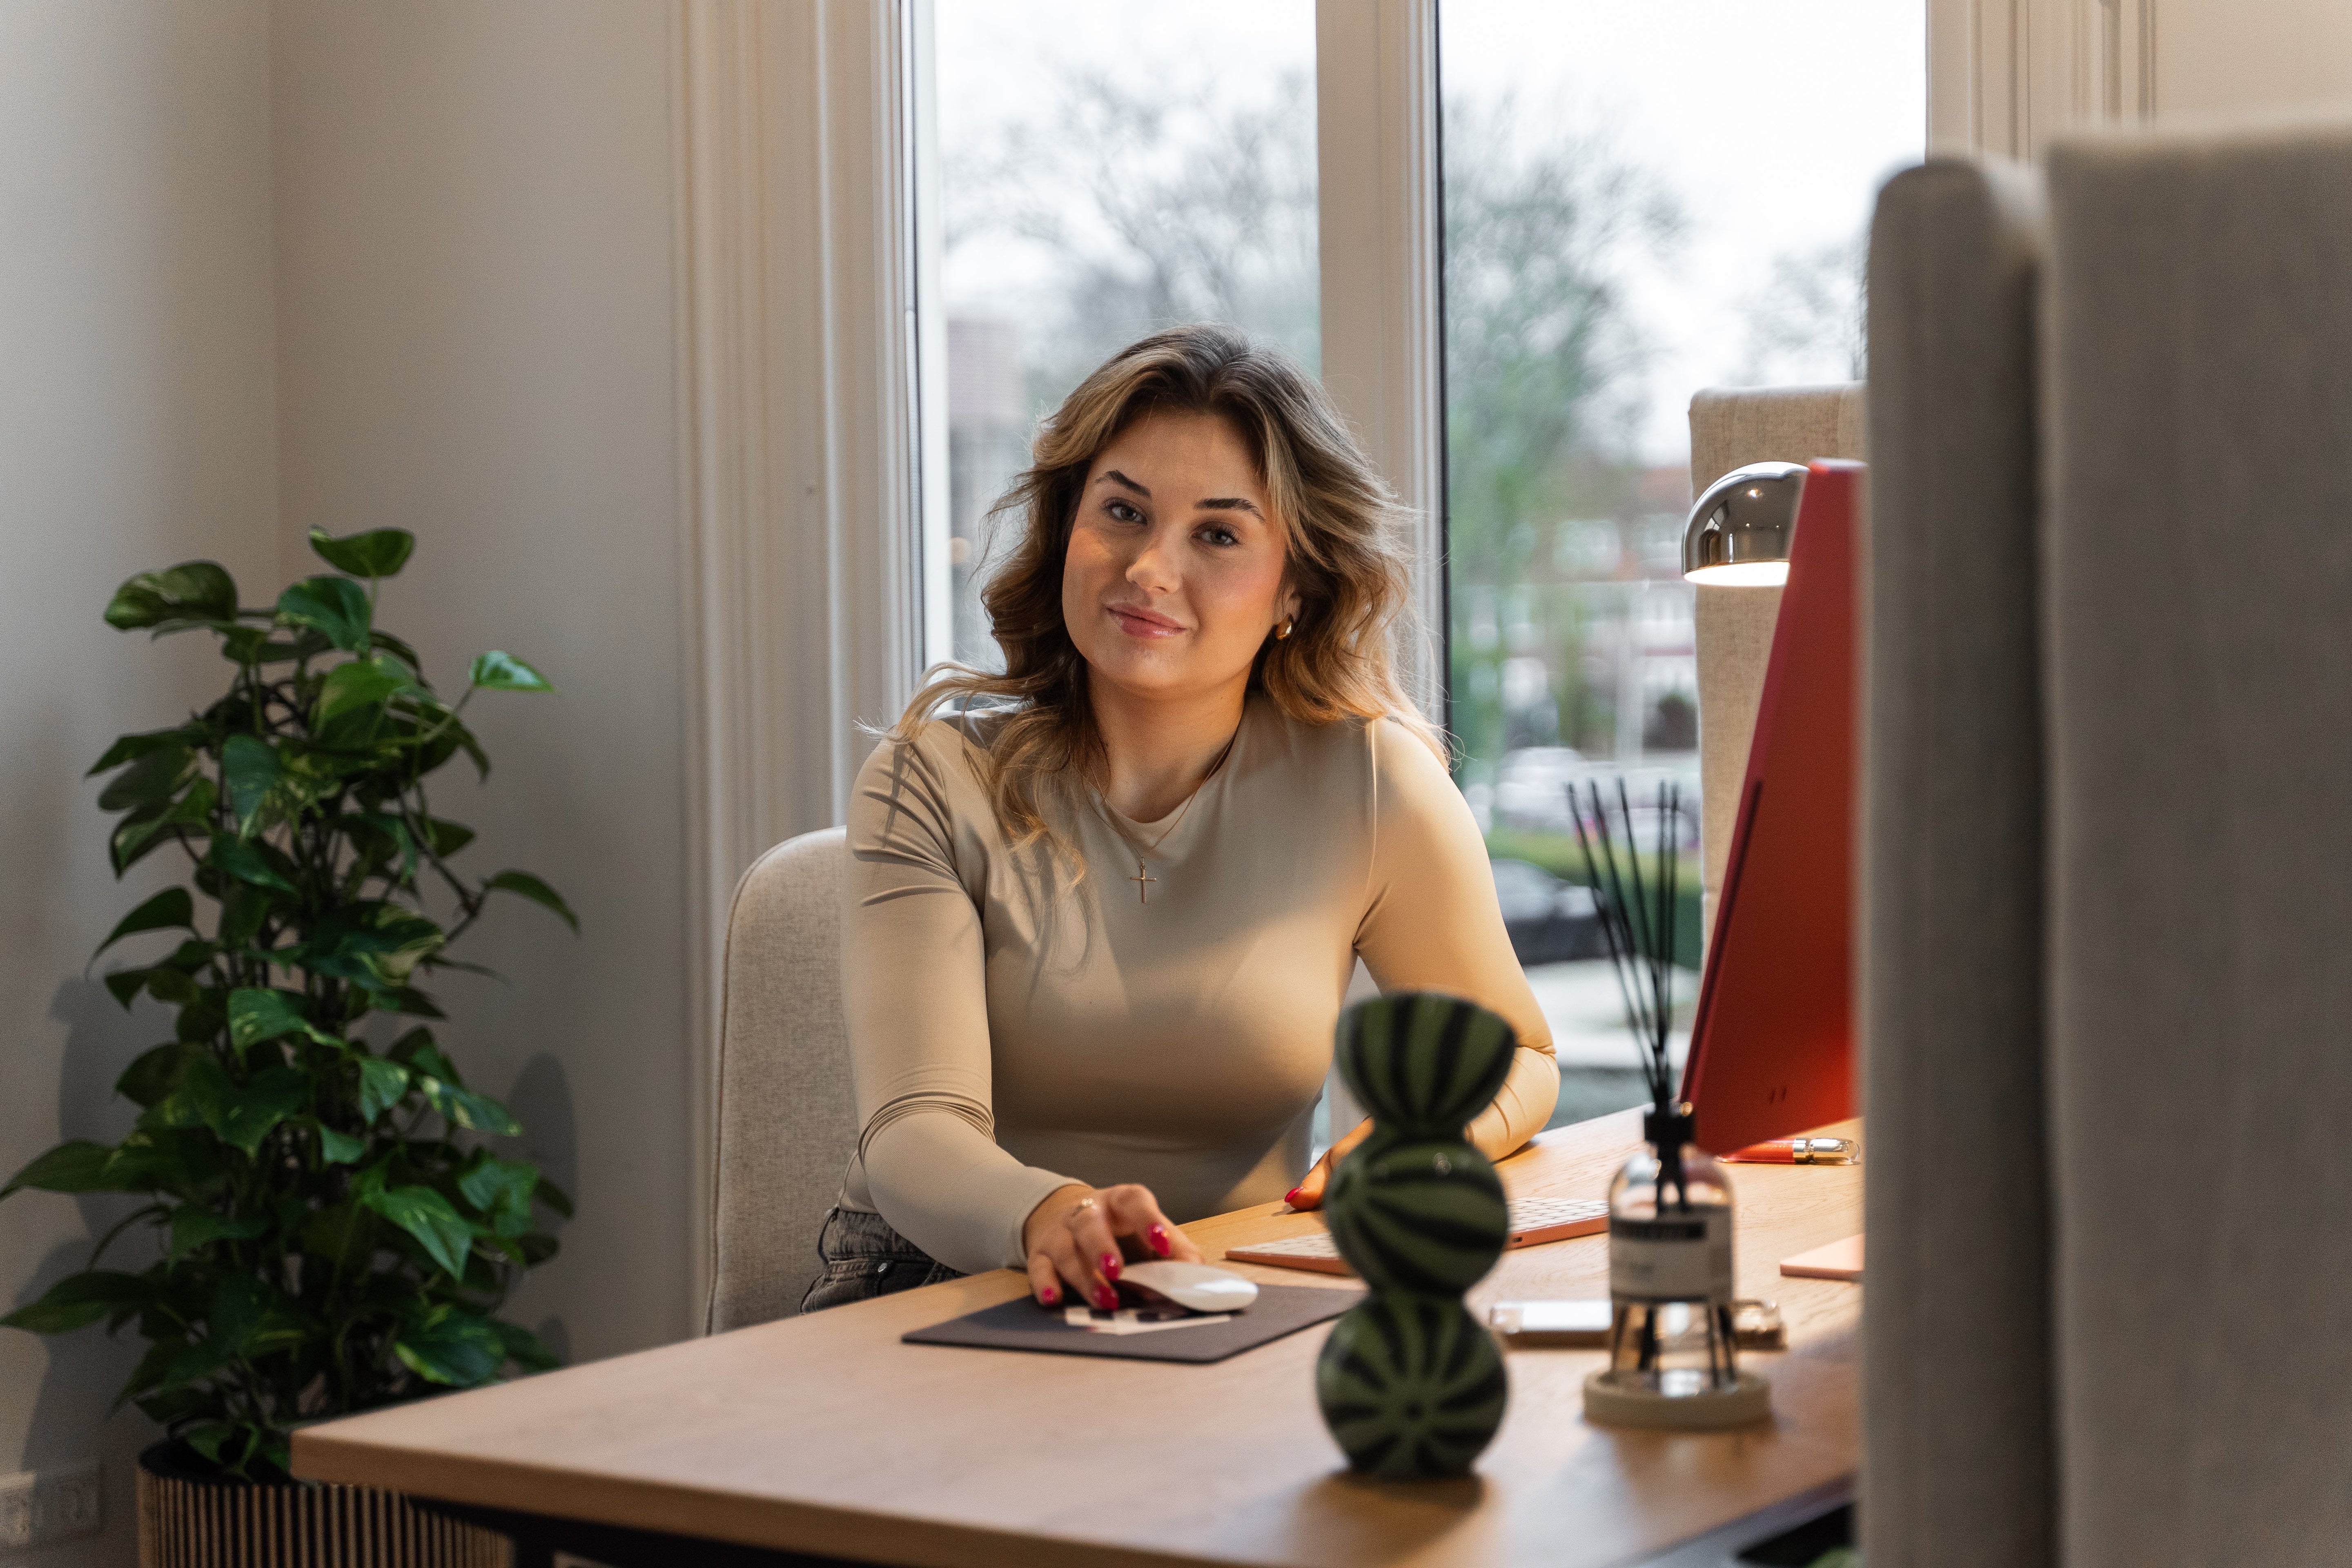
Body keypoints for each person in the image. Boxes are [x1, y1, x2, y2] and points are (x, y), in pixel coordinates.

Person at [804, 324, 1557, 1315]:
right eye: (1122, 511)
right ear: (1067, 525)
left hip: (1228, 1290)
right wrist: (1050, 1215)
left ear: (1295, 584)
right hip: (941, 1283)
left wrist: (1441, 1131)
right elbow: (912, 1130)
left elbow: (1517, 1057)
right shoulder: (931, 780)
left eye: (1217, 533)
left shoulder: (1373, 783)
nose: (1151, 569)